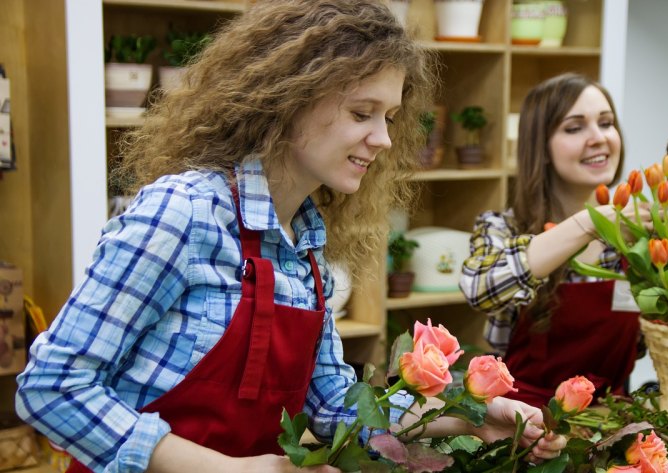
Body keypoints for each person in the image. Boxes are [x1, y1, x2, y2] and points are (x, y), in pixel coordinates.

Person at [15, 2, 566, 472]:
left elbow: (336, 410)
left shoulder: (305, 250)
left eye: (391, 117)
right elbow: (52, 387)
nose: (382, 139)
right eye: (362, 113)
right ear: (291, 96)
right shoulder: (183, 212)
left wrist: (470, 413)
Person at [459, 72, 668, 408]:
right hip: (519, 425)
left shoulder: (646, 237)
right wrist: (593, 223)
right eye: (574, 127)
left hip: (611, 425)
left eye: (606, 123)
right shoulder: (502, 228)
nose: (598, 138)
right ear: (542, 147)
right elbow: (480, 288)